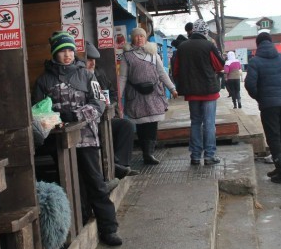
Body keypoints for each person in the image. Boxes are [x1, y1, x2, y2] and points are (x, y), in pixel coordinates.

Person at [33, 32, 122, 246]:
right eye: (62, 51)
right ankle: (77, 226)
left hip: (87, 138)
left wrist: (77, 116)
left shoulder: (87, 75)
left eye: (70, 50)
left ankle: (108, 228)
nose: (67, 55)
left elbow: (99, 103)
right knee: (69, 182)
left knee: (95, 182)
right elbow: (37, 111)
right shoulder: (44, 80)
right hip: (60, 142)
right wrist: (55, 119)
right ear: (55, 53)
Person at [244, 32, 281, 183]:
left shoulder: (255, 62)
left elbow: (250, 85)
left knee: (273, 137)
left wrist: (260, 96)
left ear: (258, 45)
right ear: (271, 43)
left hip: (268, 106)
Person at [118, 28, 178, 166]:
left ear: (145, 38)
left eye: (142, 36)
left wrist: (172, 88)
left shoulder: (153, 54)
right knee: (141, 124)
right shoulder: (127, 56)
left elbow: (162, 73)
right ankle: (146, 153)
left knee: (152, 123)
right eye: (136, 36)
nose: (139, 39)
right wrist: (119, 96)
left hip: (153, 94)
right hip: (136, 94)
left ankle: (150, 153)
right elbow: (123, 77)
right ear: (132, 39)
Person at [172, 19, 225, 166]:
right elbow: (220, 65)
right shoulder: (208, 45)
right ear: (205, 32)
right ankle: (209, 156)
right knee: (209, 123)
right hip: (209, 91)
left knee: (195, 122)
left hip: (192, 92)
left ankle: (195, 156)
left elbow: (176, 70)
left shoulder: (182, 47)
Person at [84, 41, 139, 179]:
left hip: (104, 117)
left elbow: (113, 93)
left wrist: (111, 103)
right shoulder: (78, 78)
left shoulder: (99, 74)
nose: (92, 63)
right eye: (88, 60)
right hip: (88, 122)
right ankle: (114, 167)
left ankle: (121, 165)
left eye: (94, 60)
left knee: (126, 125)